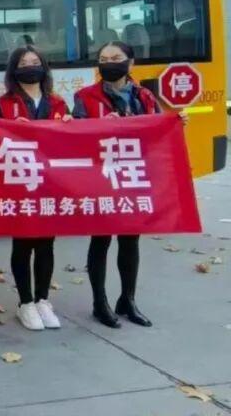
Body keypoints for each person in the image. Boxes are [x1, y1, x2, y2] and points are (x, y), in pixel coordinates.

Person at [73, 41, 159, 329]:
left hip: (134, 174)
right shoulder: (85, 97)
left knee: (130, 239)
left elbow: (158, 130)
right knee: (101, 239)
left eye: (116, 57)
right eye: (104, 58)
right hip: (101, 176)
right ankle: (100, 302)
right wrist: (100, 127)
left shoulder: (145, 96)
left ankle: (127, 300)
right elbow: (75, 135)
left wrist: (175, 123)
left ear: (130, 63)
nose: (110, 62)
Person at [0, 46, 71, 331]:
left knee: (46, 243)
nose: (30, 67)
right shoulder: (2, 105)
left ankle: (42, 299)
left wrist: (70, 126)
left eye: (35, 62)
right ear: (14, 70)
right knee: (23, 243)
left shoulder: (58, 103)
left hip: (50, 182)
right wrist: (11, 129)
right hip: (18, 183)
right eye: (24, 63)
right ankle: (25, 302)